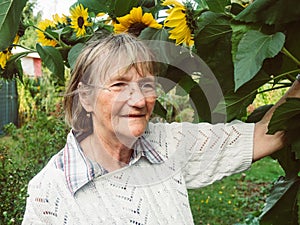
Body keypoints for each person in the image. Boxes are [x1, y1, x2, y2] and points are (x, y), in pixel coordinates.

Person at [22, 33, 300, 224]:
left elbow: (266, 134)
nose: (139, 100)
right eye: (119, 84)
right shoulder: (52, 191)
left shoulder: (168, 144)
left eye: (146, 85)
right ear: (85, 97)